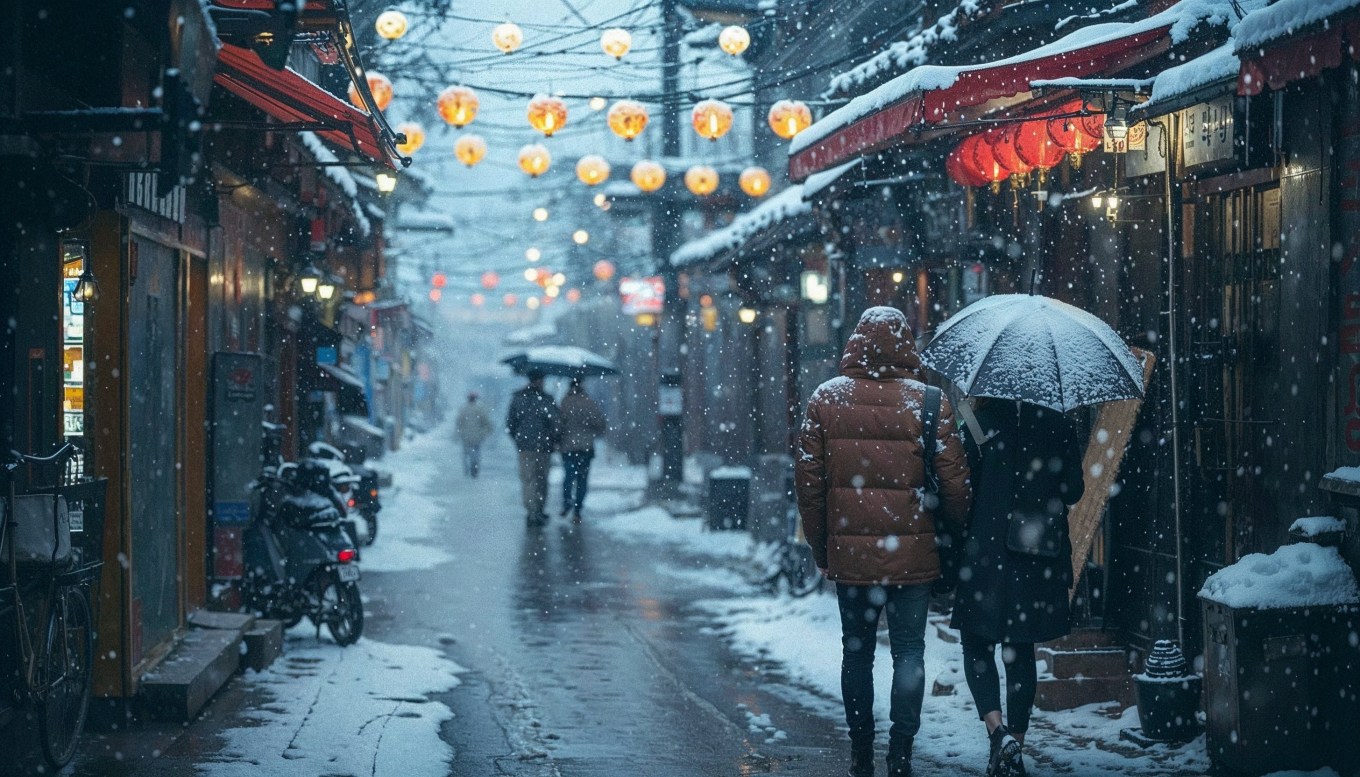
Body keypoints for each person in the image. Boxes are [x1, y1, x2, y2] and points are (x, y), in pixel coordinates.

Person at [796, 306, 972, 777]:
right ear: (906, 345)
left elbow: (808, 487)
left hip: (851, 557)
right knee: (909, 651)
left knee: (856, 650)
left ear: (855, 343)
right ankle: (901, 751)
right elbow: (955, 486)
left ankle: (860, 752)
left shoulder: (825, 399)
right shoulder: (930, 402)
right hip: (913, 553)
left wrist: (822, 547)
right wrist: (954, 533)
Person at [950, 399, 1085, 777]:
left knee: (976, 642)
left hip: (985, 550)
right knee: (1020, 647)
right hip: (1036, 550)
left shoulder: (978, 419)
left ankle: (998, 734)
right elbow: (1074, 489)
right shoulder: (1058, 421)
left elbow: (960, 485)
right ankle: (1018, 745)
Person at [506, 369, 561, 526]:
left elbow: (510, 424)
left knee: (528, 479)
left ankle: (532, 511)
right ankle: (538, 510)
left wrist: (518, 439)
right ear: (539, 381)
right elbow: (556, 422)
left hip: (525, 447)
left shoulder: (518, 398)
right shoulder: (547, 399)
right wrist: (554, 439)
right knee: (541, 479)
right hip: (543, 447)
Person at [557, 378, 607, 522]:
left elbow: (558, 425)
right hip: (586, 447)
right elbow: (600, 423)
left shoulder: (565, 403)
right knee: (582, 480)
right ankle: (577, 511)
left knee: (568, 477)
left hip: (568, 447)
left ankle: (567, 503)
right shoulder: (589, 403)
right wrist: (591, 431)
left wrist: (559, 438)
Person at [455, 392, 493, 478]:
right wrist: (487, 431)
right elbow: (486, 422)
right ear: (476, 399)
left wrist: (459, 433)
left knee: (466, 453)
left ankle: (466, 468)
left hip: (466, 436)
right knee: (476, 452)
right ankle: (474, 468)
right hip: (477, 436)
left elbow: (458, 422)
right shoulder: (480, 409)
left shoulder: (463, 409)